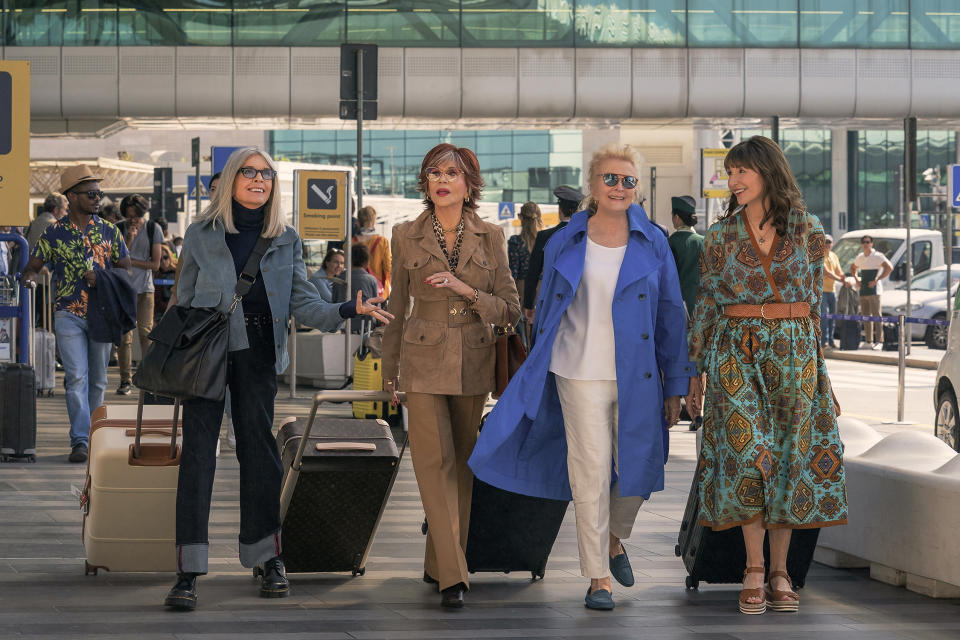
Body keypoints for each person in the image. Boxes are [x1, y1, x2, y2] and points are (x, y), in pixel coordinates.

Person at [164, 147, 392, 611]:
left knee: (261, 455)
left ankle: (267, 557)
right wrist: (164, 360)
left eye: (266, 174)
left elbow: (304, 302)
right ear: (231, 180)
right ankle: (188, 570)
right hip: (206, 355)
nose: (258, 179)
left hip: (260, 352)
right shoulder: (201, 233)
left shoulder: (285, 238)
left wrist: (349, 308)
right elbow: (181, 302)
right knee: (198, 458)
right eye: (248, 172)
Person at [469, 144, 694, 611]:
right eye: (610, 179)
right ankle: (597, 578)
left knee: (642, 467)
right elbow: (546, 309)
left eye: (628, 180)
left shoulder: (653, 241)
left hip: (640, 375)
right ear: (593, 185)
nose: (619, 187)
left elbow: (673, 315)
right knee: (588, 475)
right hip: (576, 371)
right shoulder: (564, 241)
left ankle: (614, 538)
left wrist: (678, 385)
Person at [687, 135, 847, 615]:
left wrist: (824, 376)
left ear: (767, 172)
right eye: (730, 173)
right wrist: (695, 371)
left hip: (794, 353)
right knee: (745, 455)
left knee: (788, 459)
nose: (732, 181)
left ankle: (780, 571)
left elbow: (814, 311)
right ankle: (753, 567)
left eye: (741, 172)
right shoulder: (718, 237)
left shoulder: (809, 232)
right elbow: (707, 303)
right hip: (736, 350)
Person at [382, 143, 520, 609]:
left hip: (474, 362)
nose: (442, 180)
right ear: (425, 183)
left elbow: (510, 312)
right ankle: (454, 576)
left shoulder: (492, 236)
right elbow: (397, 311)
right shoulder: (403, 234)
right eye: (434, 173)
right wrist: (389, 370)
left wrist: (466, 290)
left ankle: (437, 561)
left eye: (452, 174)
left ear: (469, 184)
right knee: (431, 465)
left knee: (461, 467)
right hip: (420, 364)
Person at [20, 165, 131, 463]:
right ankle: (80, 440)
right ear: (72, 196)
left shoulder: (109, 230)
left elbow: (125, 269)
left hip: (102, 313)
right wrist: (29, 276)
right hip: (67, 312)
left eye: (99, 193)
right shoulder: (54, 232)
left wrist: (105, 278)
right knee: (76, 377)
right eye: (91, 193)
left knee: (98, 380)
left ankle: (94, 435)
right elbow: (33, 265)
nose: (98, 198)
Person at [115, 194, 164, 396]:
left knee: (146, 333)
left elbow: (155, 264)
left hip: (145, 289)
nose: (132, 220)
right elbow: (116, 259)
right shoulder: (119, 228)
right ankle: (125, 379)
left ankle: (147, 377)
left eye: (135, 216)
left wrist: (131, 261)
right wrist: (129, 239)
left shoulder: (153, 229)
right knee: (124, 337)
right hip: (123, 288)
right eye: (129, 216)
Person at [523, 185, 584, 325]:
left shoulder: (545, 236)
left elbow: (532, 274)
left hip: (550, 302)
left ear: (560, 209)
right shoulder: (585, 236)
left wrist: (529, 305)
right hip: (580, 303)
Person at [849, 235, 892, 350]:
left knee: (877, 315)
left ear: (872, 243)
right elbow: (852, 268)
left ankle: (879, 341)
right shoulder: (860, 257)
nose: (866, 244)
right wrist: (857, 279)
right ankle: (868, 340)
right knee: (865, 316)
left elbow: (889, 268)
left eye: (868, 242)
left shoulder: (878, 256)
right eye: (863, 242)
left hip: (875, 290)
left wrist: (877, 280)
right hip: (863, 290)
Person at [667, 195, 704, 317]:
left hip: (677, 306)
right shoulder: (704, 241)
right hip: (702, 306)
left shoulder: (669, 242)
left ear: (677, 218)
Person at [332, 243, 380, 332]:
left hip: (344, 328)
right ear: (366, 262)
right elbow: (376, 306)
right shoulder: (371, 280)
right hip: (364, 328)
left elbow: (333, 303)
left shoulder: (338, 279)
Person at [507, 202, 543, 315]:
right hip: (541, 291)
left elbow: (513, 273)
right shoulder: (546, 241)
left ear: (521, 218)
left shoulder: (516, 242)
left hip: (522, 289)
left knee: (522, 328)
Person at [355, 205, 391, 298]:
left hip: (355, 288)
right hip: (377, 289)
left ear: (358, 222)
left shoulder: (350, 243)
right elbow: (388, 268)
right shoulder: (382, 242)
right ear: (374, 222)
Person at [820, 235, 844, 349]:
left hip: (832, 291)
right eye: (825, 242)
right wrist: (841, 280)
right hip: (822, 291)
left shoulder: (834, 256)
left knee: (832, 317)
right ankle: (823, 341)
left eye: (829, 242)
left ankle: (831, 341)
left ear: (832, 244)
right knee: (824, 317)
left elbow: (838, 271)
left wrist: (844, 278)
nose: (827, 244)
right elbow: (827, 272)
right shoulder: (819, 256)